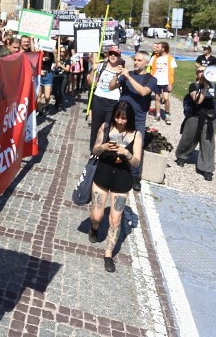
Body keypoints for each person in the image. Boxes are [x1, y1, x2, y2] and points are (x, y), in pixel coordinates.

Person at [87, 100, 142, 273]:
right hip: (103, 173)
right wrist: (102, 147)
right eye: (118, 117)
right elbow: (94, 150)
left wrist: (126, 153)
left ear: (129, 118)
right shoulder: (106, 127)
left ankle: (108, 254)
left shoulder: (136, 134)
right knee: (96, 215)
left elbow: (136, 163)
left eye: (124, 118)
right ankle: (94, 228)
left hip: (122, 178)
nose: (120, 121)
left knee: (115, 220)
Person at [108, 50, 158, 192]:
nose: (136, 63)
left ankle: (135, 176)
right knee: (116, 140)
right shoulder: (127, 74)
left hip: (138, 118)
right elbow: (111, 87)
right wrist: (117, 75)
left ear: (147, 63)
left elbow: (143, 92)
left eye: (139, 60)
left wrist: (128, 77)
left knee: (136, 147)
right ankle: (114, 167)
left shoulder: (151, 79)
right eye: (135, 60)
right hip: (121, 116)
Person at [174, 66, 216, 181]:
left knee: (208, 143)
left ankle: (207, 169)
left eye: (204, 71)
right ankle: (182, 156)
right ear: (196, 74)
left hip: (208, 118)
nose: (202, 73)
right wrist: (204, 88)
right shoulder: (193, 86)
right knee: (188, 138)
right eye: (199, 71)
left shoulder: (214, 85)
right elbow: (198, 100)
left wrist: (208, 85)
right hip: (194, 116)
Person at [86, 47, 124, 152]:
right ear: (107, 55)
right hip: (99, 99)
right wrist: (94, 69)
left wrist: (119, 75)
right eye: (111, 53)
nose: (112, 56)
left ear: (119, 57)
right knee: (96, 126)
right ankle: (93, 150)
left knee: (108, 127)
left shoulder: (121, 69)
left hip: (113, 102)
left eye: (115, 54)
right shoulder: (101, 66)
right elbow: (90, 82)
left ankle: (104, 150)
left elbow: (121, 85)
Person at [148, 41, 177, 125]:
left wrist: (170, 83)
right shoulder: (154, 57)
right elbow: (150, 69)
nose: (156, 49)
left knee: (166, 98)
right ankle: (157, 115)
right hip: (156, 81)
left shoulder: (170, 58)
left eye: (158, 47)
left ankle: (167, 115)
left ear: (163, 48)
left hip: (166, 82)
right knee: (157, 98)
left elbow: (172, 72)